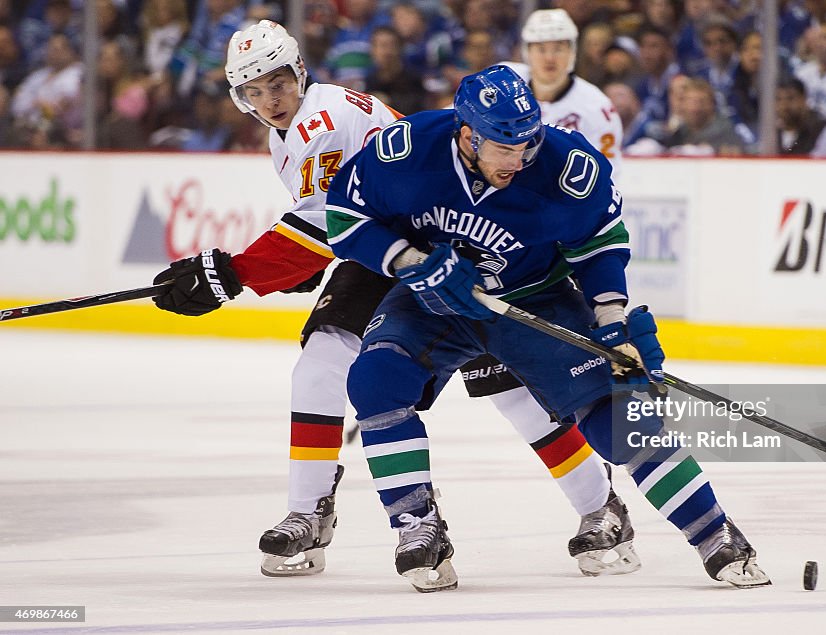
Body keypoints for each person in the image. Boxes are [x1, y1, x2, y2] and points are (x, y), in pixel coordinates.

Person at [150, 20, 633, 579]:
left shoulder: (323, 121)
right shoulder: (291, 129)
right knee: (322, 365)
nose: (270, 99)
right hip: (395, 251)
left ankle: (600, 505)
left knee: (516, 392)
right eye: (254, 91)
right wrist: (277, 267)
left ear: (300, 72)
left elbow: (326, 223)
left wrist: (232, 273)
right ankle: (308, 510)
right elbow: (335, 224)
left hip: (442, 252)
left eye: (278, 82)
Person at [324, 64, 770, 592]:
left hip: (535, 298)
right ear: (467, 136)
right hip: (435, 300)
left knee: (614, 419)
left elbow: (601, 244)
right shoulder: (408, 150)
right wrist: (409, 260)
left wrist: (611, 321)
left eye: (527, 144)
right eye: (504, 148)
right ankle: (418, 527)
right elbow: (344, 217)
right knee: (375, 382)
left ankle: (714, 534)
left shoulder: (566, 166)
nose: (520, 159)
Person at [501, 8, 623, 174]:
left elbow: (606, 174)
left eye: (558, 48)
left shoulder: (597, 108)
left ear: (572, 52)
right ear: (527, 52)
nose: (549, 58)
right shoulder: (502, 82)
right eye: (541, 49)